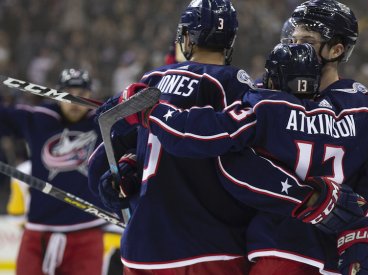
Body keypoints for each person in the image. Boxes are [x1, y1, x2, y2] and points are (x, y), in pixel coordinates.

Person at [141, 1, 368, 274]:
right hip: (314, 252)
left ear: (336, 49)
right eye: (292, 38)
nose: (295, 47)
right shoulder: (360, 107)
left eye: (307, 40)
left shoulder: (267, 100)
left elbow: (219, 151)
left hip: (281, 248)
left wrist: (151, 110)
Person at [88, 0, 257, 274]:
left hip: (142, 248)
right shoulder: (234, 83)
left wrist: (124, 171)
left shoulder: (151, 80)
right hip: (209, 246)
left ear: (186, 36)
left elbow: (100, 164)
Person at [0, 68, 105, 275]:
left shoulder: (103, 122)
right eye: (68, 93)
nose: (75, 101)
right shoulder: (38, 118)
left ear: (91, 96)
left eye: (82, 94)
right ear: (57, 94)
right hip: (38, 234)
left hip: (87, 233)